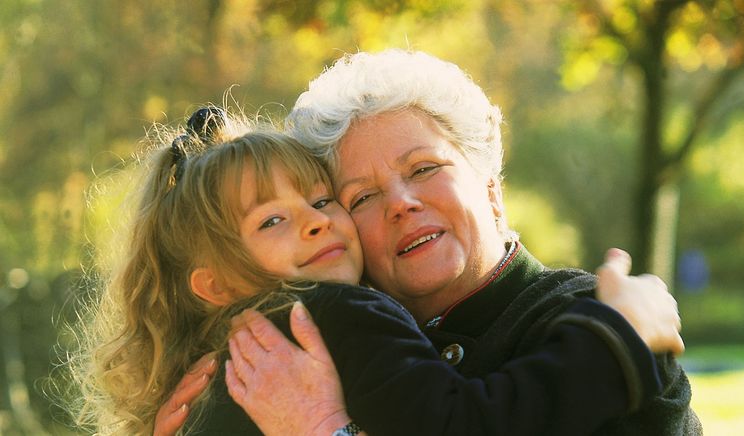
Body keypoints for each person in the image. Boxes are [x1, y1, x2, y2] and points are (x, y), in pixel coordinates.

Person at [159, 49, 700, 435]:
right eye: (361, 197)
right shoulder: (306, 343)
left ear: (490, 186)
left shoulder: (599, 328)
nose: (400, 203)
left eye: (423, 168)